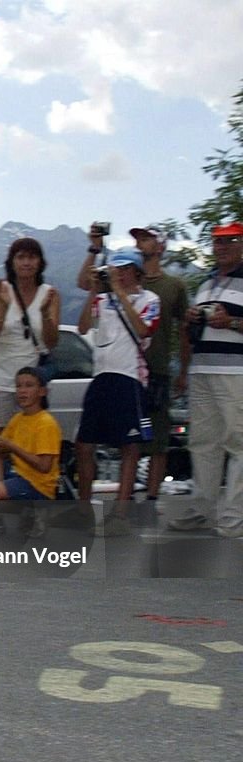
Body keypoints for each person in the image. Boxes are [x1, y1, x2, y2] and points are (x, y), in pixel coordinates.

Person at [75, 249, 160, 536]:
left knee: (130, 447)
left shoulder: (149, 300)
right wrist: (94, 292)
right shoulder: (103, 299)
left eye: (124, 270)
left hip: (129, 378)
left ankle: (121, 513)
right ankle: (83, 508)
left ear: (136, 271)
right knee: (84, 444)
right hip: (101, 376)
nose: (119, 275)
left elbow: (144, 330)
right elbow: (83, 326)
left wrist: (120, 294)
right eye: (115, 270)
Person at [167, 222, 243, 538]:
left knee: (239, 443)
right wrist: (190, 320)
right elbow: (191, 333)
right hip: (202, 370)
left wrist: (234, 321)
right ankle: (203, 510)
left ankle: (234, 517)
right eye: (217, 241)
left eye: (229, 241)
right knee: (203, 443)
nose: (222, 247)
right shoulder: (207, 284)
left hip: (236, 372)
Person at [128, 226, 190, 503]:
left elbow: (184, 330)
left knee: (159, 441)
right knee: (128, 438)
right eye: (138, 239)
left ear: (161, 246)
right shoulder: (126, 280)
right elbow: (87, 285)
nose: (141, 243)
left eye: (146, 238)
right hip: (127, 370)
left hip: (160, 368)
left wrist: (184, 371)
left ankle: (152, 498)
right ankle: (124, 497)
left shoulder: (174, 286)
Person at [0, 237, 60, 435]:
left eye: (32, 257)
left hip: (30, 385)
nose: (26, 263)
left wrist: (43, 314)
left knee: (28, 445)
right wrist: (5, 306)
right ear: (12, 262)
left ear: (40, 262)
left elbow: (51, 343)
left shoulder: (50, 294)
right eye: (21, 257)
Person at [0, 366, 61, 507]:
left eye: (29, 386)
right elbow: (3, 452)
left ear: (42, 391)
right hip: (17, 472)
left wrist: (11, 446)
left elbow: (44, 466)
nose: (22, 391)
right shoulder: (18, 418)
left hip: (36, 484)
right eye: (18, 386)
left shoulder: (46, 423)